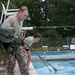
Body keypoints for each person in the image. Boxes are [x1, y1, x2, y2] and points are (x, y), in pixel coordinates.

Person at [1, 6, 29, 75]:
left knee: (23, 63)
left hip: (17, 46)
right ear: (19, 13)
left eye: (26, 16)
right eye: (24, 15)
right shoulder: (11, 18)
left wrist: (23, 39)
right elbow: (3, 30)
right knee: (10, 66)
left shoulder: (21, 21)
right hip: (10, 47)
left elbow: (19, 32)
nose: (25, 18)